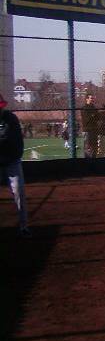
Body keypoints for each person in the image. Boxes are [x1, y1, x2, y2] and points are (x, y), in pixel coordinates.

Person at [0, 94, 29, 237]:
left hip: (12, 161)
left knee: (19, 193)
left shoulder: (11, 119)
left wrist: (13, 156)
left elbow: (17, 142)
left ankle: (24, 226)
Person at [80, 93, 101, 158]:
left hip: (94, 130)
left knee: (95, 147)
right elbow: (87, 119)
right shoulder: (84, 108)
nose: (92, 99)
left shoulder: (94, 108)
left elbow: (98, 117)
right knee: (88, 148)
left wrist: (94, 115)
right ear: (87, 99)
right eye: (91, 98)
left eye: (92, 98)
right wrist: (93, 115)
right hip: (87, 130)